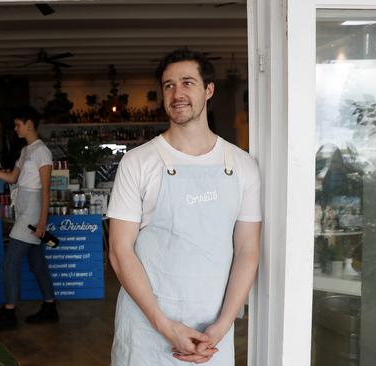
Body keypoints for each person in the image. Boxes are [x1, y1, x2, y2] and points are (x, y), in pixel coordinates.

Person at [107, 49, 262, 365]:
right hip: (147, 327)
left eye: (187, 82)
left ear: (209, 90)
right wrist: (164, 325)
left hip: (212, 330)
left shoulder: (243, 165)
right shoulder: (138, 163)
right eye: (168, 85)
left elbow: (248, 249)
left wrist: (221, 327)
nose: (177, 93)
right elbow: (119, 252)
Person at [0, 106, 58, 332]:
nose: (15, 129)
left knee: (10, 262)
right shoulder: (26, 151)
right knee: (36, 262)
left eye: (17, 124)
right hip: (23, 206)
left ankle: (9, 312)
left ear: (29, 123)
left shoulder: (42, 151)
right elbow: (12, 177)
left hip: (33, 210)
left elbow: (45, 188)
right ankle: (50, 307)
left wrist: (42, 221)